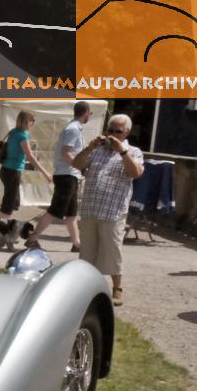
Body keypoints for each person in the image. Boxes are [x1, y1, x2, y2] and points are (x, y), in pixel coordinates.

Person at [72, 113, 143, 307]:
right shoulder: (97, 149)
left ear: (127, 132)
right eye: (110, 130)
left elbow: (135, 173)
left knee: (112, 250)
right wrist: (89, 147)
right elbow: (76, 164)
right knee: (87, 251)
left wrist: (122, 152)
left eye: (118, 131)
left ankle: (117, 288)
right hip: (90, 207)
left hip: (113, 210)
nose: (113, 135)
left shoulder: (133, 151)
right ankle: (85, 288)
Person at [25, 101, 92, 251]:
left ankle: (77, 244)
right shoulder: (73, 129)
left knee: (71, 213)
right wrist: (80, 166)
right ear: (86, 112)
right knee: (55, 210)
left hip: (70, 175)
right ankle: (32, 238)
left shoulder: (74, 128)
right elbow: (65, 152)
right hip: (66, 175)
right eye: (90, 113)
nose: (90, 115)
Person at [0, 110, 52, 221]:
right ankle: (1, 223)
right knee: (9, 200)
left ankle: (3, 220)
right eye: (32, 120)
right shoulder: (22, 136)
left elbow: (16, 150)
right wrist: (45, 173)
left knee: (13, 200)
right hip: (13, 171)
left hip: (5, 170)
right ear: (26, 121)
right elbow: (30, 157)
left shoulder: (13, 132)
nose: (33, 123)